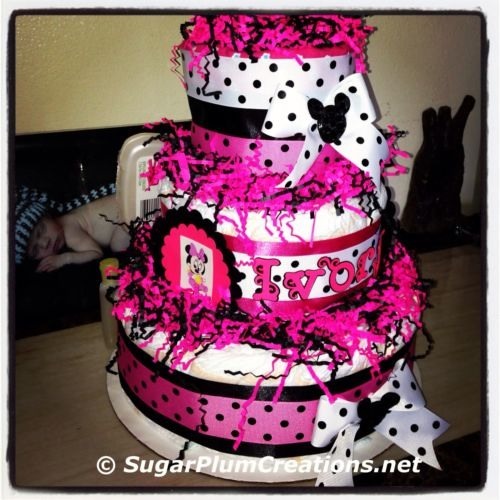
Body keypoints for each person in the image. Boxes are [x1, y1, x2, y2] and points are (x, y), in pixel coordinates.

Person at [25, 195, 129, 272]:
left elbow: (96, 253)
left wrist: (64, 259)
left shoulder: (69, 232)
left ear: (47, 215)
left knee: (118, 247)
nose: (44, 243)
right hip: (126, 202)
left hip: (127, 214)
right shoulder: (66, 216)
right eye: (35, 250)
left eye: (41, 231)